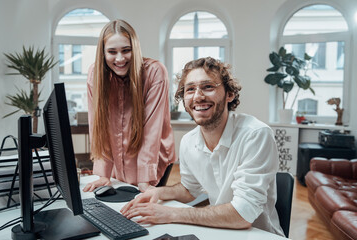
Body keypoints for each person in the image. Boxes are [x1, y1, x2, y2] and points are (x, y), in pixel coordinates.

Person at [121, 57, 284, 236]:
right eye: (190, 89)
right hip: (218, 232)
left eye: (208, 87)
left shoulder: (255, 134)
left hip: (257, 235)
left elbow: (243, 215)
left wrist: (172, 213)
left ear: (229, 94)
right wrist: (159, 193)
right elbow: (190, 190)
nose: (198, 96)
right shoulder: (189, 141)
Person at [83, 19, 176, 193]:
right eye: (112, 52)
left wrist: (144, 180)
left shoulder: (155, 72)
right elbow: (98, 126)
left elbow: (151, 132)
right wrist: (103, 174)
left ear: (135, 48)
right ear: (103, 53)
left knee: (141, 211)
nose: (120, 58)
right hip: (119, 160)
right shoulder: (95, 75)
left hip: (153, 159)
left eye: (126, 50)